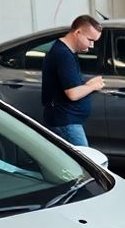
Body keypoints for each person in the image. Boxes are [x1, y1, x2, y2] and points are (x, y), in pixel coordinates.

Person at [41, 14, 104, 146]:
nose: (91, 45)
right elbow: (73, 94)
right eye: (90, 40)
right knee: (84, 163)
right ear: (78, 32)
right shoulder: (63, 55)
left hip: (66, 120)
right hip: (65, 122)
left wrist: (87, 85)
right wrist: (93, 86)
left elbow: (69, 86)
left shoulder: (65, 52)